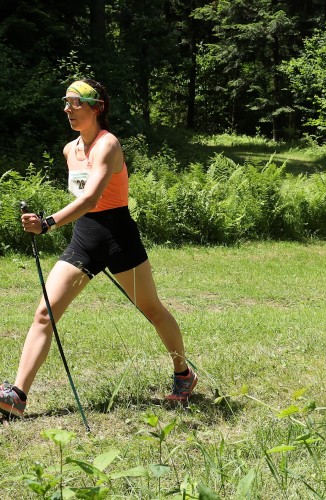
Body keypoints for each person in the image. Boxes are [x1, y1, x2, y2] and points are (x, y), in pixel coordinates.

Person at [0, 79, 197, 419]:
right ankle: (18, 396)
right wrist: (49, 220)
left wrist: (47, 223)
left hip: (119, 238)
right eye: (66, 102)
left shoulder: (109, 145)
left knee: (152, 310)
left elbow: (92, 198)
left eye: (75, 103)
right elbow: (82, 203)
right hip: (85, 239)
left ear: (96, 107)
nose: (67, 109)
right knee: (45, 312)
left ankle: (184, 374)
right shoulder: (69, 150)